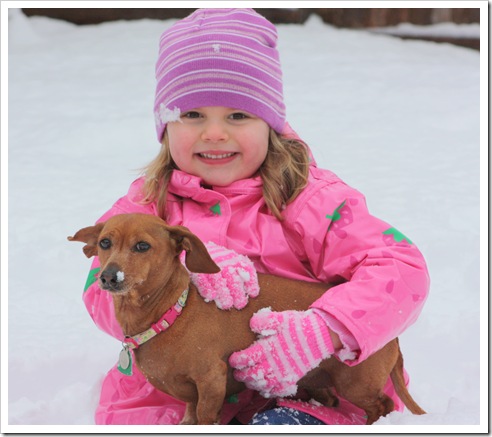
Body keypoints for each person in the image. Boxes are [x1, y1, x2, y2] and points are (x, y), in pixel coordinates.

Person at [82, 8, 430, 425]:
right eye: (192, 115)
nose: (214, 133)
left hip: (308, 390)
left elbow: (402, 270)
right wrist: (176, 277)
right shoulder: (145, 206)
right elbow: (98, 286)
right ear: (165, 127)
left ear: (270, 124)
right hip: (175, 390)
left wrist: (326, 330)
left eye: (238, 115)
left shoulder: (312, 201)